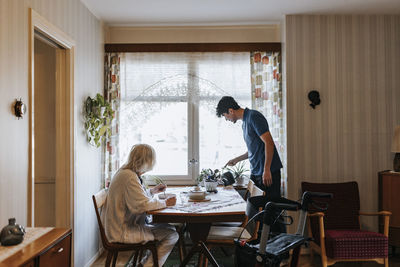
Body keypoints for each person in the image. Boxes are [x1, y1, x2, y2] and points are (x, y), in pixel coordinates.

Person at [216, 96, 285, 234]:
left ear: (230, 110)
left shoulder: (254, 117)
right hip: (257, 172)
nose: (227, 119)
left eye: (225, 116)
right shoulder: (244, 122)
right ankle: (260, 247)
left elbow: (269, 143)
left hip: (267, 172)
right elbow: (254, 149)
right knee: (259, 213)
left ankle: (281, 249)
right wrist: (237, 159)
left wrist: (266, 169)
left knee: (272, 211)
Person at [104, 144, 178, 267]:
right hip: (122, 231)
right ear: (146, 161)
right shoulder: (129, 177)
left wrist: (152, 191)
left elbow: (136, 199)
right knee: (172, 234)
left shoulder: (126, 172)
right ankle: (146, 265)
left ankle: (145, 263)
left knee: (170, 229)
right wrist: (166, 203)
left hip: (120, 227)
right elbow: (142, 206)